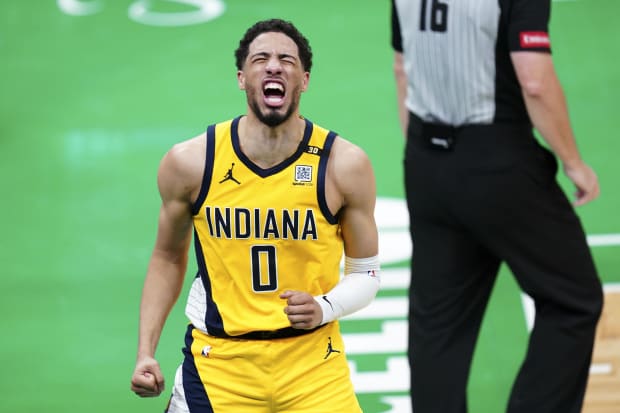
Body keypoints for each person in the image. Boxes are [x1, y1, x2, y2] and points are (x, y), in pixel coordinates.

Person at [129, 18, 380, 413]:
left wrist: (323, 307)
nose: (274, 66)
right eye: (261, 58)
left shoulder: (343, 166)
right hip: (220, 367)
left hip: (313, 366)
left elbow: (366, 273)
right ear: (242, 78)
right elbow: (166, 257)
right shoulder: (192, 163)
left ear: (305, 80)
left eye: (287, 60)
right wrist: (146, 351)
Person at [391, 1, 603, 412]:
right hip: (497, 161)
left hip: (425, 160)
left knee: (438, 324)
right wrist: (573, 163)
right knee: (573, 299)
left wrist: (432, 165)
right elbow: (534, 80)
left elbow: (403, 69)